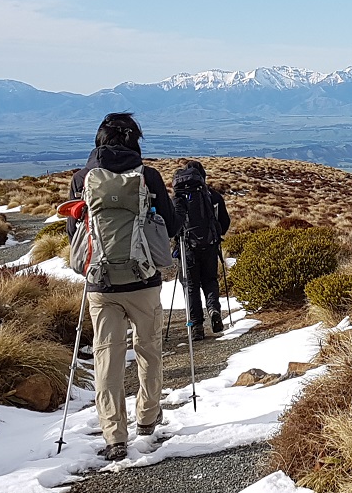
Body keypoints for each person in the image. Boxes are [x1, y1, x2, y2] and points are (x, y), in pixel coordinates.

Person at [67, 112, 180, 461]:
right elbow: (172, 226)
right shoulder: (148, 176)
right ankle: (147, 419)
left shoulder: (82, 178)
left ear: (98, 140)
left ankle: (114, 434)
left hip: (101, 285)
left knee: (107, 357)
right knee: (149, 350)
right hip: (145, 281)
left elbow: (74, 232)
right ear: (135, 141)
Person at [172, 160, 231, 340]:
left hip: (188, 247)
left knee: (191, 286)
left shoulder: (179, 197)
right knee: (210, 280)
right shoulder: (212, 196)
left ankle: (196, 326)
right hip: (210, 245)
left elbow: (173, 224)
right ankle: (214, 309)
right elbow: (225, 223)